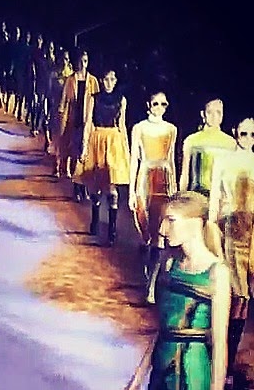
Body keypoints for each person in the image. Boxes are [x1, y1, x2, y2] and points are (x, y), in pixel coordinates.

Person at [123, 191, 230, 390]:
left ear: (195, 223)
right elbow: (162, 329)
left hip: (193, 372)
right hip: (161, 368)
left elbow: (220, 342)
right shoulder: (169, 265)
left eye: (171, 220)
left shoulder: (217, 273)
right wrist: (137, 379)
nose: (162, 229)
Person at [209, 117, 254, 387]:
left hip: (252, 232)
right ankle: (222, 359)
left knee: (245, 297)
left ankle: (230, 359)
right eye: (244, 133)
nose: (247, 138)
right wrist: (212, 231)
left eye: (252, 134)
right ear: (235, 132)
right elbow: (215, 200)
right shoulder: (223, 160)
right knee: (235, 294)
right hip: (231, 230)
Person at [74, 69, 130, 245]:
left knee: (112, 187)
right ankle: (95, 218)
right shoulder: (94, 98)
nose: (109, 82)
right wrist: (84, 146)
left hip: (113, 142)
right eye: (106, 79)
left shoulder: (121, 100)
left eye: (112, 79)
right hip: (97, 138)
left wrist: (126, 149)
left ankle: (112, 229)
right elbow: (88, 122)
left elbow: (122, 124)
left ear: (116, 81)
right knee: (95, 186)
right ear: (102, 80)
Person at [129, 91, 177, 278]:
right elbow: (134, 159)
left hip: (163, 180)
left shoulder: (171, 129)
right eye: (156, 103)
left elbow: (171, 160)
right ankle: (144, 271)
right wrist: (132, 192)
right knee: (144, 225)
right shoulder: (139, 128)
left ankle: (152, 279)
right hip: (145, 178)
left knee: (160, 230)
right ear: (148, 105)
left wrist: (174, 188)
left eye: (163, 104)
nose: (159, 108)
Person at [58, 49, 100, 202]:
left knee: (86, 156)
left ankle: (84, 188)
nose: (83, 64)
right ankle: (77, 188)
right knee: (76, 154)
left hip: (88, 123)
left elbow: (98, 103)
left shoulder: (93, 81)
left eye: (85, 61)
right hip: (73, 121)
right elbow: (63, 101)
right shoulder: (70, 80)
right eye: (81, 61)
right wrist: (61, 118)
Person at [179, 98, 236, 196]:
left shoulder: (231, 143)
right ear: (203, 114)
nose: (214, 116)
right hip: (197, 196)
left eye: (218, 112)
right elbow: (185, 173)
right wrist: (182, 195)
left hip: (222, 197)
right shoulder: (191, 140)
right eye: (210, 112)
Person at [49, 49, 73, 176]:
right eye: (63, 58)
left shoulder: (72, 75)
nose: (65, 61)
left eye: (67, 59)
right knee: (57, 138)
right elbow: (50, 92)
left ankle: (67, 167)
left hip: (70, 110)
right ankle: (56, 165)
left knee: (68, 139)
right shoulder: (54, 74)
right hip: (57, 109)